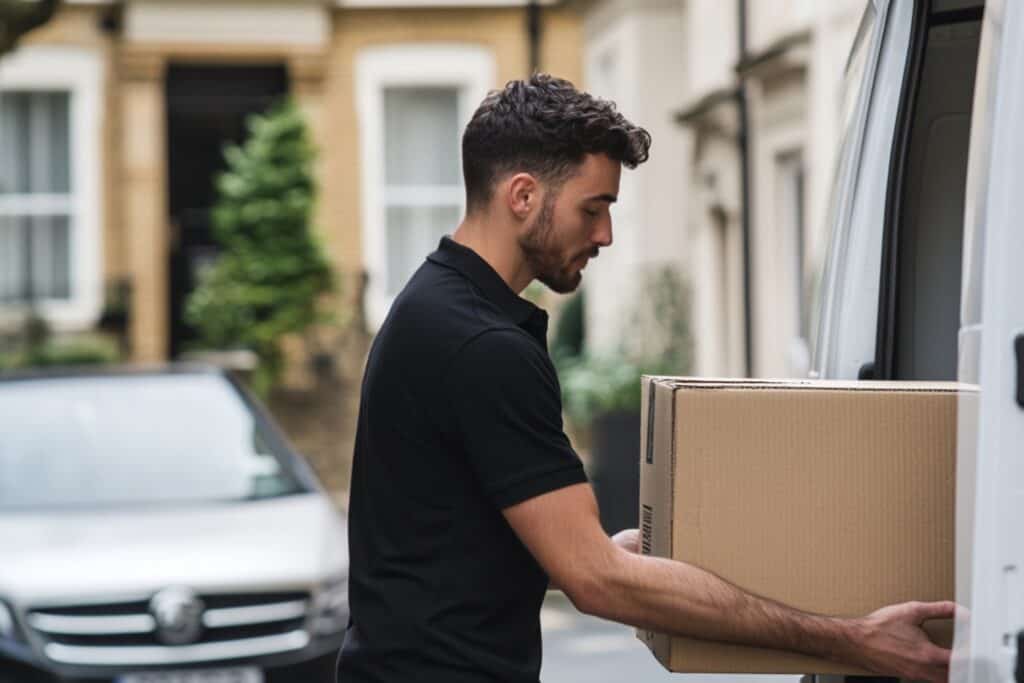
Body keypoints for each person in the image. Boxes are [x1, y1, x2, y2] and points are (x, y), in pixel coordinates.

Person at [336, 73, 953, 683]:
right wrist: (851, 639)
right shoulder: (481, 344)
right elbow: (596, 582)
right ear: (523, 196)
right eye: (593, 208)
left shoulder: (433, 306)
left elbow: (444, 544)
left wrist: (607, 555)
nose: (604, 234)